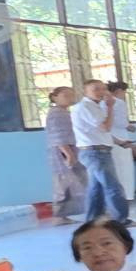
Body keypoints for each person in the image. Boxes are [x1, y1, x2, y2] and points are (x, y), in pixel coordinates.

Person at [72, 79, 129, 223]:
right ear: (85, 92)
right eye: (96, 89)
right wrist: (110, 107)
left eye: (103, 89)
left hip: (98, 150)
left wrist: (118, 142)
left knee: (96, 189)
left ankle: (93, 219)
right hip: (95, 153)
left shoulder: (95, 107)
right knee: (112, 187)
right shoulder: (85, 107)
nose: (101, 92)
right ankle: (120, 220)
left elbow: (100, 132)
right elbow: (105, 127)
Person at [45, 85, 85, 223]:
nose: (70, 98)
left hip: (71, 150)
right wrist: (68, 154)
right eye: (65, 95)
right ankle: (59, 216)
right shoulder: (56, 113)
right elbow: (58, 136)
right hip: (63, 153)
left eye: (71, 95)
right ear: (55, 97)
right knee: (63, 184)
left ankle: (63, 215)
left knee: (72, 183)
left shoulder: (65, 112)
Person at [106, 82, 136, 214]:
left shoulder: (102, 104)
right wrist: (129, 126)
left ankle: (114, 201)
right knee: (125, 171)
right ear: (119, 91)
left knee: (114, 172)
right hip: (120, 140)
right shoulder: (118, 103)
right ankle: (126, 199)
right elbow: (120, 122)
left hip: (108, 141)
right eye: (124, 92)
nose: (125, 95)